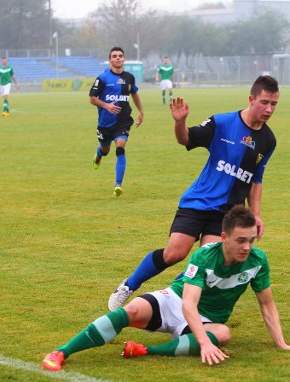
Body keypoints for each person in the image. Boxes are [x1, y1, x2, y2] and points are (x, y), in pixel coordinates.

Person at [42, 206, 290, 371]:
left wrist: (282, 344)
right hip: (175, 301)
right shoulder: (204, 256)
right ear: (225, 237)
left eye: (251, 240)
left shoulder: (257, 261)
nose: (247, 247)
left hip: (205, 319)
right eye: (241, 240)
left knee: (224, 333)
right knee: (131, 310)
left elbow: (267, 304)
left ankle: (145, 350)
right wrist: (203, 343)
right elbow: (188, 304)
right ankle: (61, 352)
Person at [107, 75, 279, 311]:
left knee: (206, 264)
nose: (269, 109)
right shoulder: (222, 122)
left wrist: (256, 215)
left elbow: (256, 180)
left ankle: (167, 298)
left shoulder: (268, 140)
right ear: (251, 99)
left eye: (273, 104)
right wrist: (180, 122)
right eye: (264, 102)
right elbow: (185, 139)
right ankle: (128, 285)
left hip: (226, 214)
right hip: (198, 201)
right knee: (174, 254)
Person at [90, 47, 144, 197]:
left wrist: (141, 111)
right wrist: (107, 105)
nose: (118, 58)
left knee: (120, 147)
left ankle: (118, 185)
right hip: (105, 123)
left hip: (123, 121)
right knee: (105, 149)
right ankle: (99, 154)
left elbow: (134, 93)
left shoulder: (129, 77)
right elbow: (92, 99)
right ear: (110, 60)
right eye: (114, 56)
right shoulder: (102, 78)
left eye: (120, 56)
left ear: (124, 59)